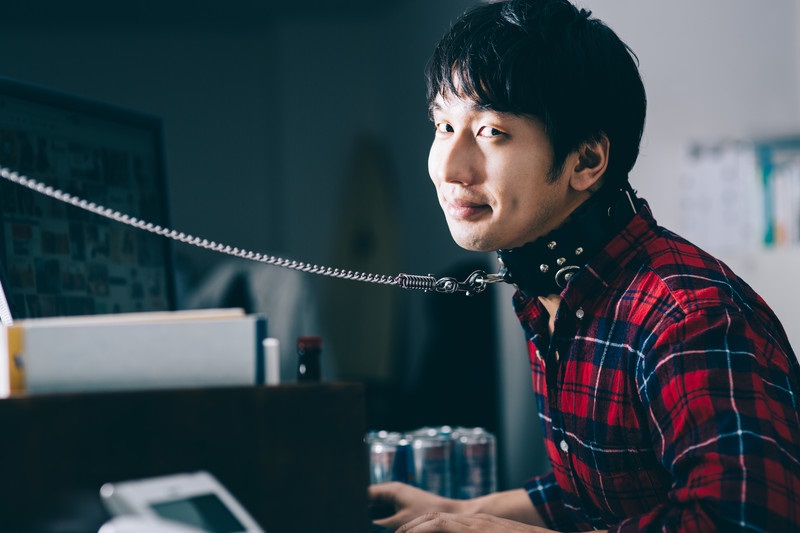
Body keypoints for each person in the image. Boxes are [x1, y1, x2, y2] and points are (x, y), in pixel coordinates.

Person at [368, 0, 800, 531]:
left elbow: (746, 521)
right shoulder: (553, 295)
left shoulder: (688, 318)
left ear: (587, 160)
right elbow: (608, 487)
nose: (451, 168)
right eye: (443, 125)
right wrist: (464, 513)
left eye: (491, 132)